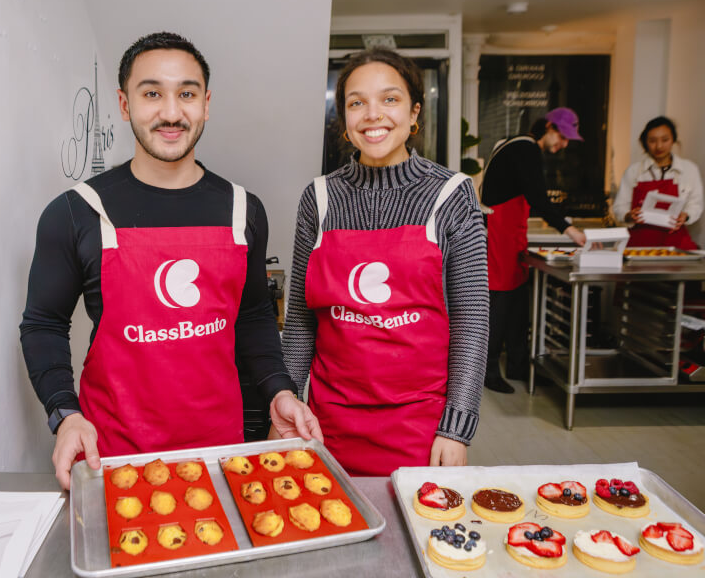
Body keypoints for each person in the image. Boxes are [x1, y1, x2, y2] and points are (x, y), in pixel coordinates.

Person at [20, 32, 321, 490]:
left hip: (221, 452)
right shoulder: (77, 212)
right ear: (124, 104)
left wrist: (278, 388)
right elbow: (43, 323)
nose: (171, 112)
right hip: (112, 455)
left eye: (186, 93)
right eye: (152, 93)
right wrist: (65, 413)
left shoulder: (244, 210)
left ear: (206, 103)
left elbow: (254, 316)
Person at [281, 48, 489, 477]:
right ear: (344, 121)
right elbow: (301, 318)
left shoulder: (451, 195)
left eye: (389, 99)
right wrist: (287, 404)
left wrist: (456, 429)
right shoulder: (319, 199)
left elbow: (472, 319)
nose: (372, 115)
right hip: (328, 422)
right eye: (357, 103)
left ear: (414, 113)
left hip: (421, 426)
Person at [481, 108, 587, 394]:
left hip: (512, 235)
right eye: (562, 136)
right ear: (549, 126)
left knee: (517, 303)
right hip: (499, 236)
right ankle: (488, 371)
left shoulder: (520, 146)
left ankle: (516, 365)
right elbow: (538, 199)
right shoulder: (526, 149)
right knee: (500, 304)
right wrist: (569, 229)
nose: (563, 144)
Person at [613, 116, 702, 249]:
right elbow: (619, 207)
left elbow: (696, 204)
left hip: (676, 242)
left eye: (665, 140)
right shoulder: (634, 171)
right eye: (652, 141)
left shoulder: (689, 169)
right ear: (645, 142)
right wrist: (629, 215)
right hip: (639, 244)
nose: (659, 146)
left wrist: (686, 216)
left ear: (673, 140)